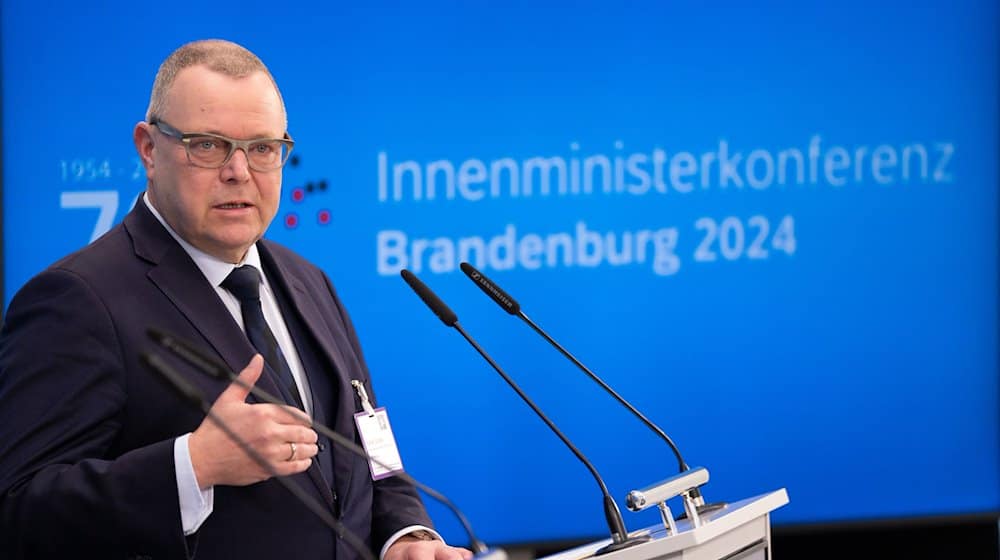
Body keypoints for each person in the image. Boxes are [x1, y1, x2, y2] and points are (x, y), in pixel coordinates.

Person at [0, 39, 472, 560]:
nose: (239, 172)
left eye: (263, 148)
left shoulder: (307, 280)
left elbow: (371, 453)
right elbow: (18, 511)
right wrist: (193, 465)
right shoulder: (77, 299)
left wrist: (405, 537)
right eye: (208, 145)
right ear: (149, 149)